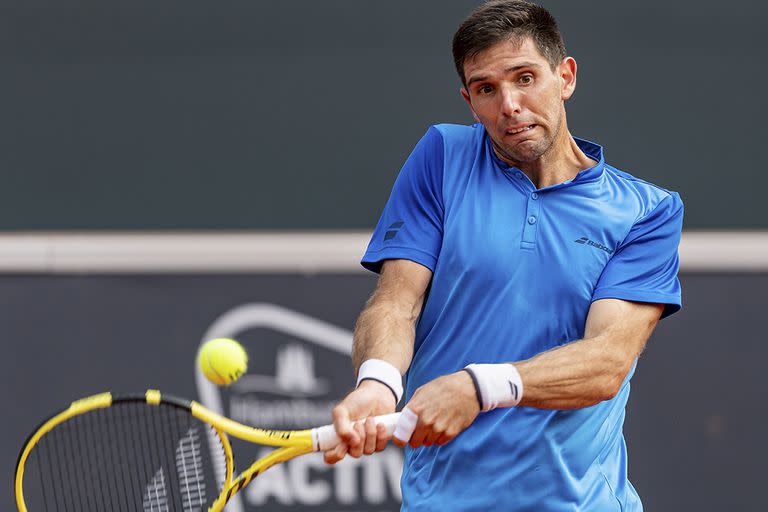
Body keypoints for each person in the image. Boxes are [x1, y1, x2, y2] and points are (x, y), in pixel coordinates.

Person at [324, 1, 683, 510]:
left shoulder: (647, 211)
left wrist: (480, 386)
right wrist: (378, 383)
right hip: (442, 500)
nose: (509, 104)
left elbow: (606, 361)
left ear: (566, 77)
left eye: (524, 77)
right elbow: (395, 302)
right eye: (487, 88)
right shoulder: (442, 157)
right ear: (470, 101)